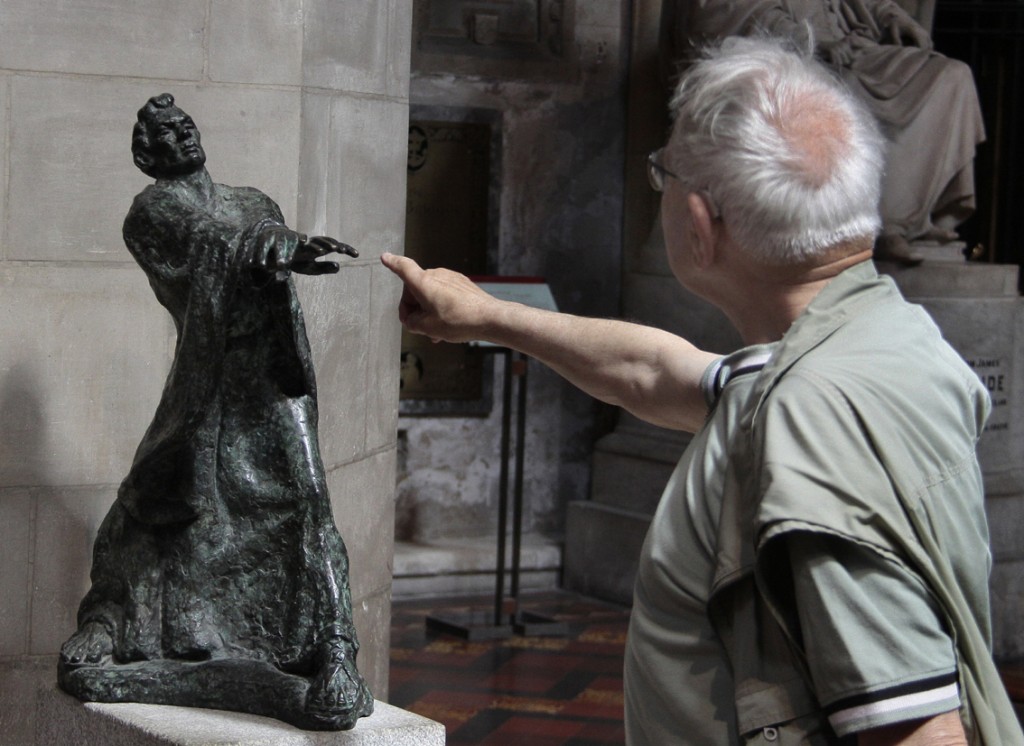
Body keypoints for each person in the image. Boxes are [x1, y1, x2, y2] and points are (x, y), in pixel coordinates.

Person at [382, 38, 1023, 744]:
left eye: (664, 174)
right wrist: (487, 316)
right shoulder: (877, 342)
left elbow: (920, 732)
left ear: (699, 222)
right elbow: (659, 373)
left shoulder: (812, 428)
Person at [58, 93, 373, 730]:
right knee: (170, 496)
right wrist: (265, 245)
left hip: (268, 378)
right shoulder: (151, 210)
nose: (182, 136)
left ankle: (335, 649)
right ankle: (114, 616)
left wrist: (282, 245)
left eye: (185, 125)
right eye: (167, 134)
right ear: (150, 155)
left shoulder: (255, 200)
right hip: (209, 379)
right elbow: (202, 241)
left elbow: (260, 238)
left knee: (308, 498)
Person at [664, 0, 985, 263]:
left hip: (856, 52)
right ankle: (882, 226)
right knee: (830, 99)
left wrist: (893, 17)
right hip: (795, 58)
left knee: (951, 76)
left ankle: (905, 220)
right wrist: (810, 40)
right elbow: (721, 13)